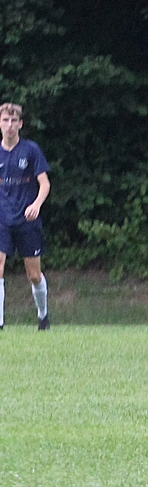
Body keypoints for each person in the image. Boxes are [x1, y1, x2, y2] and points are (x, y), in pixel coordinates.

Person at [0, 102, 52, 330]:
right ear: (0, 124)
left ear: (20, 124)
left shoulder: (31, 150)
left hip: (26, 220)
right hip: (2, 219)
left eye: (13, 121)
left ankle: (43, 315)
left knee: (34, 275)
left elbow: (44, 183)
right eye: (5, 120)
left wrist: (37, 204)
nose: (9, 125)